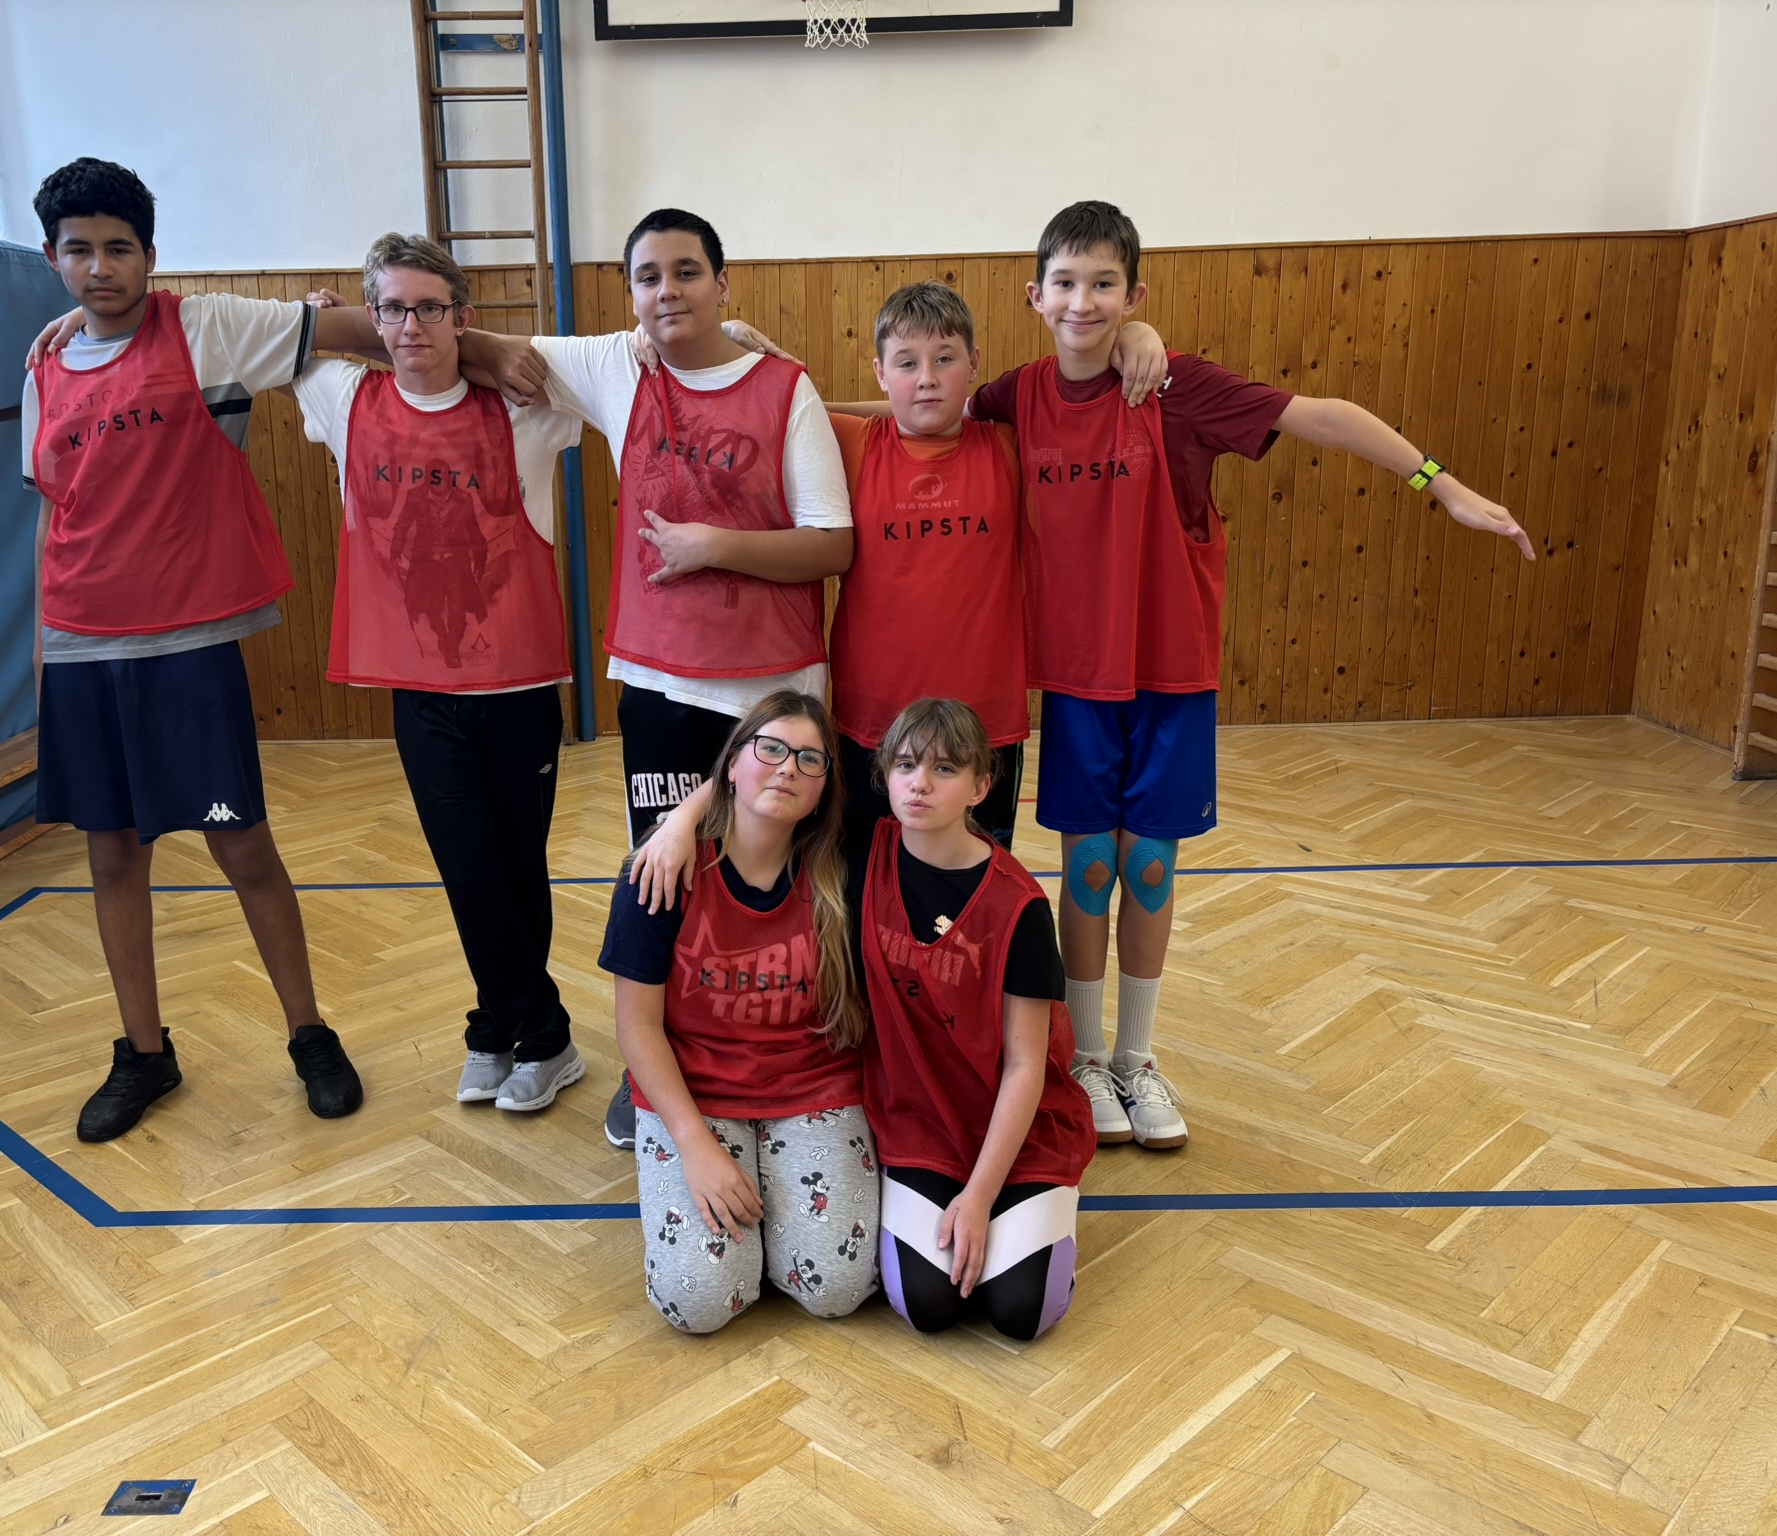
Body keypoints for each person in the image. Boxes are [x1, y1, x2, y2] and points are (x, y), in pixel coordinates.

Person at [972, 201, 1536, 1150]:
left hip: (1172, 675)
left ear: (1135, 295)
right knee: (1090, 865)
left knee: (1149, 866)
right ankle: (1086, 1057)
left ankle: (1137, 1058)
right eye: (1065, 283)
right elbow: (920, 405)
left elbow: (1326, 417)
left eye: (1105, 284)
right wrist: (782, 388)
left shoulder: (1174, 386)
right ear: (1035, 295)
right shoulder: (1018, 395)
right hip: (1077, 680)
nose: (1083, 301)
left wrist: (1441, 485)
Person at [474, 208, 855, 1151]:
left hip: (770, 684)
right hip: (655, 675)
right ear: (630, 294)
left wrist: (712, 545)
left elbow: (831, 545)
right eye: (648, 277)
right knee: (664, 868)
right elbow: (468, 345)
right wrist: (375, 321)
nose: (667, 290)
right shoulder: (616, 366)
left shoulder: (784, 387)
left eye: (687, 272)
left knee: (777, 873)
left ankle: (786, 1052)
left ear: (723, 284)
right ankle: (657, 1064)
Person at [22, 157, 381, 1140]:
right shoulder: (43, 365)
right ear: (52, 257)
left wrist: (475, 352)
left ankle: (309, 1032)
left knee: (243, 844)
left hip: (187, 642)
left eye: (119, 248)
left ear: (151, 254)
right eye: (79, 250)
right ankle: (144, 1053)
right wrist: (42, 653)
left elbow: (368, 332)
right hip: (80, 642)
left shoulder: (208, 328)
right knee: (111, 856)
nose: (100, 268)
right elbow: (52, 511)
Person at [290, 234, 585, 1112]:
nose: (410, 324)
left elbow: (619, 368)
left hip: (519, 689)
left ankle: (501, 1029)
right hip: (421, 694)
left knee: (515, 866)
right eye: (392, 308)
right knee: (466, 866)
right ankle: (540, 1033)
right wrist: (319, 316)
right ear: (373, 317)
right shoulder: (347, 399)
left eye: (429, 308)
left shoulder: (527, 408)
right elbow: (281, 339)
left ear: (463, 317)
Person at [819, 280, 1165, 874]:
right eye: (907, 363)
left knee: (978, 893)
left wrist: (1135, 333)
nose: (927, 378)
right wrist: (727, 336)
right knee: (867, 891)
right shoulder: (852, 443)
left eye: (945, 359)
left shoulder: (1009, 442)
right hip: (872, 723)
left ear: (975, 364)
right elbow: (776, 401)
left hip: (983, 723)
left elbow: (1084, 396)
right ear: (879, 373)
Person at [597, 691, 878, 1334]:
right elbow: (636, 1027)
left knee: (837, 1288)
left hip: (811, 1086)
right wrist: (694, 1144)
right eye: (770, 749)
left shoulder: (839, 869)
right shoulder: (662, 869)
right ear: (731, 764)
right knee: (697, 1301)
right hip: (697, 1095)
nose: (787, 768)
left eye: (809, 759)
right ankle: (746, 1245)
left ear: (823, 789)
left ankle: (770, 1240)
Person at [860, 698, 1096, 1340]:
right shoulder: (866, 855)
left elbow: (1025, 1065)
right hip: (921, 1120)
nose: (919, 783)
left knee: (1022, 1312)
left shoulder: (1018, 907)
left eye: (944, 768)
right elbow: (759, 795)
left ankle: (1039, 1208)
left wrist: (981, 1196)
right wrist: (681, 823)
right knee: (928, 1306)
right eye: (905, 765)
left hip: (1016, 1124)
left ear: (980, 787)